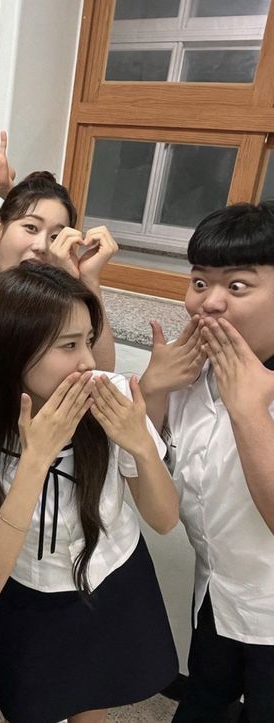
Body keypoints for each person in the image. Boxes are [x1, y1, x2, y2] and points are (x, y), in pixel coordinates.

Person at [0, 263, 179, 723]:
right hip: (30, 594)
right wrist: (34, 461)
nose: (88, 362)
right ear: (11, 351)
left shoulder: (108, 396)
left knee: (93, 699)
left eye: (88, 340)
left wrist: (142, 445)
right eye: (69, 345)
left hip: (111, 576)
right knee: (35, 704)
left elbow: (164, 519)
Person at [140, 201, 274, 723]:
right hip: (215, 592)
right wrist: (153, 384)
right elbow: (143, 451)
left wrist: (249, 412)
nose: (209, 303)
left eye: (237, 286)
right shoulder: (196, 371)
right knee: (205, 700)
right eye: (199, 282)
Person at [0, 171, 117, 370]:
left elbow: (102, 374)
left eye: (55, 236)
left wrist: (88, 279)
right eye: (31, 228)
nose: (42, 246)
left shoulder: (67, 305)